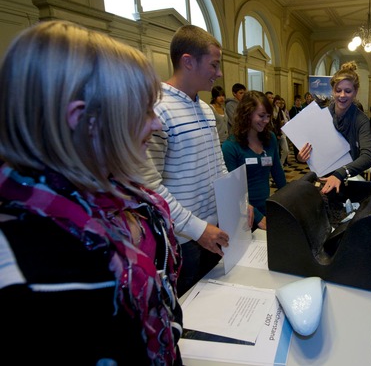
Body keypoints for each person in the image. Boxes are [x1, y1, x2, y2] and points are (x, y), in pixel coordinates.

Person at [0, 20, 183, 364]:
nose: (157, 123)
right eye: (144, 110)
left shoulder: (130, 203)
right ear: (87, 121)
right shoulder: (26, 276)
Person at [143, 25, 233, 296]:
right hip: (183, 241)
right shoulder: (157, 109)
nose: (218, 74)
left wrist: (237, 206)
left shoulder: (205, 109)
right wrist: (196, 229)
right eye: (214, 65)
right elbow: (149, 187)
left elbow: (218, 165)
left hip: (213, 231)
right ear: (188, 61)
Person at [297, 61, 371, 194]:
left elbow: (368, 156)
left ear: (355, 92)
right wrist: (301, 157)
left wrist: (340, 173)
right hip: (323, 178)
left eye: (348, 91)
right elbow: (310, 150)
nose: (342, 95)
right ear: (333, 91)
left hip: (348, 179)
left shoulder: (361, 120)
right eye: (338, 90)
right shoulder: (322, 115)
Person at [222, 91, 287, 230]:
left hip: (265, 208)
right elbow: (233, 190)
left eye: (268, 116)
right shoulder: (231, 147)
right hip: (243, 212)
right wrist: (257, 216)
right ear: (247, 114)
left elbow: (278, 173)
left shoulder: (270, 138)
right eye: (261, 116)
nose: (266, 120)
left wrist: (289, 199)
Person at [273, 95, 291, 166]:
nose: (278, 104)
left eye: (279, 103)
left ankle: (280, 164)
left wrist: (283, 122)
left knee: (286, 150)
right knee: (276, 152)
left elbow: (286, 121)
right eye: (277, 103)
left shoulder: (282, 111)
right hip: (275, 133)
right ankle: (276, 167)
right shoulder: (273, 111)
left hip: (282, 133)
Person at [289, 94, 303, 160]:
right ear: (295, 101)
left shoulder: (302, 109)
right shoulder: (292, 110)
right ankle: (297, 158)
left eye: (300, 101)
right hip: (295, 129)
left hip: (301, 128)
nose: (299, 102)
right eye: (297, 100)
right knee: (296, 144)